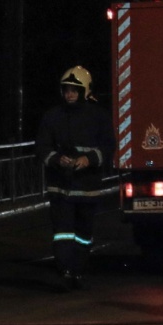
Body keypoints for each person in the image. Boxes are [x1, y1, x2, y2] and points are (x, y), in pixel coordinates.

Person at [36, 65, 115, 290]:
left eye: (74, 90)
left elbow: (108, 146)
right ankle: (66, 269)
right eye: (66, 89)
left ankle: (78, 269)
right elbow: (41, 146)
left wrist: (89, 159)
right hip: (60, 187)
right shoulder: (52, 116)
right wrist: (56, 159)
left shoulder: (98, 116)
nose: (69, 94)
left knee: (83, 233)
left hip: (87, 187)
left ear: (85, 91)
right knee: (62, 232)